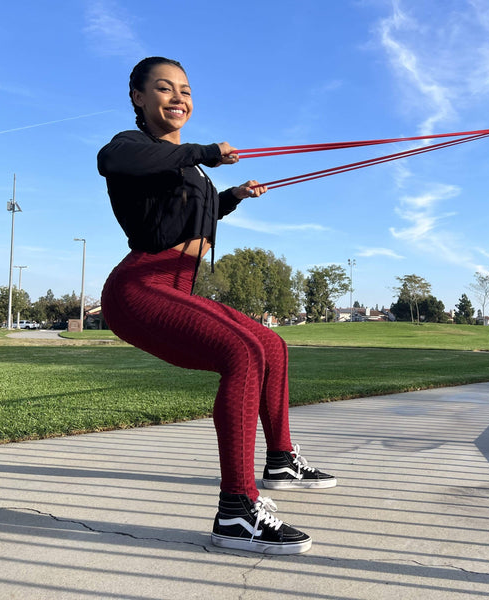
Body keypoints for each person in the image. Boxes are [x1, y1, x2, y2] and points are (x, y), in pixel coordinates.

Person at [97, 56, 335, 555]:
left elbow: (192, 213)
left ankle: (282, 461)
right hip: (140, 286)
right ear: (138, 97)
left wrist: (233, 196)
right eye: (164, 89)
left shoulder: (190, 168)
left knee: (271, 343)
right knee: (243, 353)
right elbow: (114, 163)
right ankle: (236, 511)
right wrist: (204, 152)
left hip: (176, 288)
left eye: (185, 90)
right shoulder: (131, 147)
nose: (178, 98)